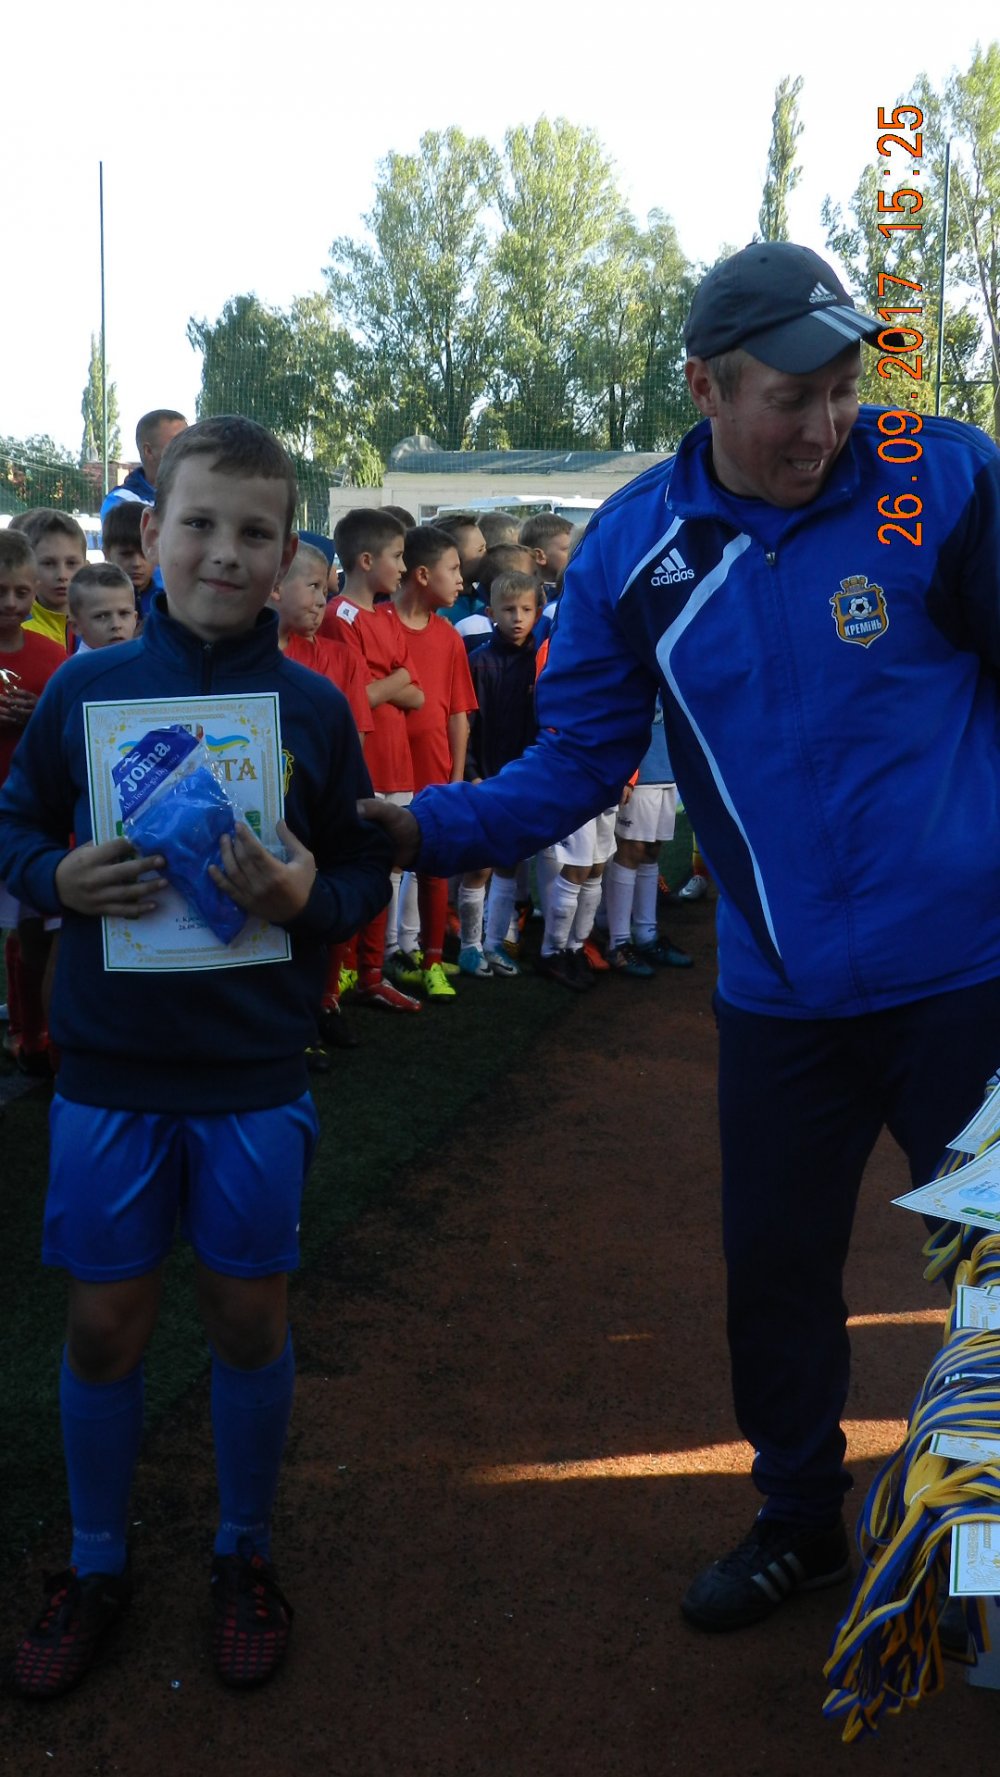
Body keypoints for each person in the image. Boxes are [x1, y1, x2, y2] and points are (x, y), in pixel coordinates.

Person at [360, 241, 1000, 1634]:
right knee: (775, 1270)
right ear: (706, 386)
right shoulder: (633, 550)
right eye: (792, 396)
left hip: (972, 977)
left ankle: (987, 1557)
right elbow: (578, 760)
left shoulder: (942, 478)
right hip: (782, 998)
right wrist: (420, 829)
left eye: (846, 389)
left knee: (996, 1274)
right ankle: (798, 1518)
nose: (828, 425)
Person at [0, 415, 394, 1698]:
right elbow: (14, 825)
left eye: (255, 531)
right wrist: (54, 875)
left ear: (286, 554)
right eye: (200, 524)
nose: (226, 551)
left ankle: (243, 1549)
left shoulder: (311, 707)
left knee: (246, 1314)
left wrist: (307, 900)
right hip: (110, 1071)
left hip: (251, 1074)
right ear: (149, 535)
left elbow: (357, 866)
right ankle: (95, 1560)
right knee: (105, 1323)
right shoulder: (86, 690)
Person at [320, 507, 424, 1012]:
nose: (403, 567)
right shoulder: (339, 616)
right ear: (366, 560)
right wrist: (393, 682)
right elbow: (354, 697)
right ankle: (335, 978)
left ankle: (372, 973)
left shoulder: (384, 616)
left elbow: (416, 694)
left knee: (390, 871)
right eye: (397, 556)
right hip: (366, 762)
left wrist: (387, 685)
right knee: (352, 869)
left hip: (398, 760)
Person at [389, 525, 476, 1000]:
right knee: (386, 862)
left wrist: (456, 778)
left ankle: (431, 959)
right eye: (454, 568)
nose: (462, 579)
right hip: (387, 769)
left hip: (435, 770)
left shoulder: (449, 636)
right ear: (422, 575)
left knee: (433, 863)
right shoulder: (377, 624)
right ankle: (384, 956)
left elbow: (459, 714)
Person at [0, 528, 66, 1071]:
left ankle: (32, 1031)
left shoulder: (52, 655)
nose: (11, 603)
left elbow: (65, 726)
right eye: (0, 591)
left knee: (33, 927)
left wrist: (38, 712)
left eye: (21, 592)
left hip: (30, 818)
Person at [460, 568, 540, 978]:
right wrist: (471, 773)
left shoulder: (541, 661)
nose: (517, 618)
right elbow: (465, 725)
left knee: (510, 862)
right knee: (479, 866)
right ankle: (469, 946)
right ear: (491, 613)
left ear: (538, 611)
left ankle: (495, 943)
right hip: (484, 780)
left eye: (526, 609)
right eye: (508, 610)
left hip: (523, 781)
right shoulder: (478, 661)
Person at [602, 697, 692, 977]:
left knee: (652, 849)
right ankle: (618, 942)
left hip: (667, 767)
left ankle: (646, 935)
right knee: (632, 849)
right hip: (639, 770)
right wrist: (626, 771)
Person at [9, 509, 87, 649]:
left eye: (71, 563)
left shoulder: (102, 621)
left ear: (86, 566)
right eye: (48, 563)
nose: (62, 575)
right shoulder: (17, 632)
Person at [99, 409, 187, 521]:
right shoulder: (121, 502)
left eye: (189, 442)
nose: (188, 450)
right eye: (177, 444)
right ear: (148, 451)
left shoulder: (199, 491)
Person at [66, 563, 138, 653]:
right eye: (102, 616)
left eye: (124, 613)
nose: (116, 625)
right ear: (76, 626)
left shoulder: (147, 660)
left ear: (135, 618)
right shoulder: (76, 663)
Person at [100, 502, 154, 619]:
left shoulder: (167, 604)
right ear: (106, 554)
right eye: (126, 554)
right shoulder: (93, 602)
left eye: (145, 553)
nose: (137, 563)